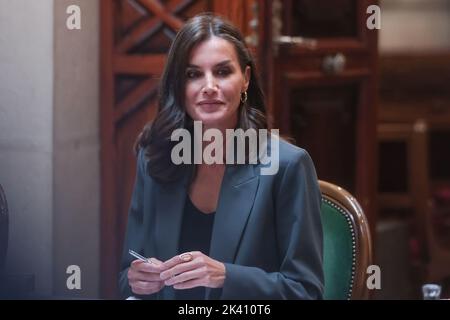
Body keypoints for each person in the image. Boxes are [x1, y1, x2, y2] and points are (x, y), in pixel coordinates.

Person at [118, 13, 324, 300]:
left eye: (223, 72)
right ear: (178, 86)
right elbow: (127, 275)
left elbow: (306, 292)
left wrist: (227, 277)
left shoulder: (286, 166)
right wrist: (137, 280)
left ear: (246, 80)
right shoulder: (155, 158)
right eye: (193, 74)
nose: (209, 86)